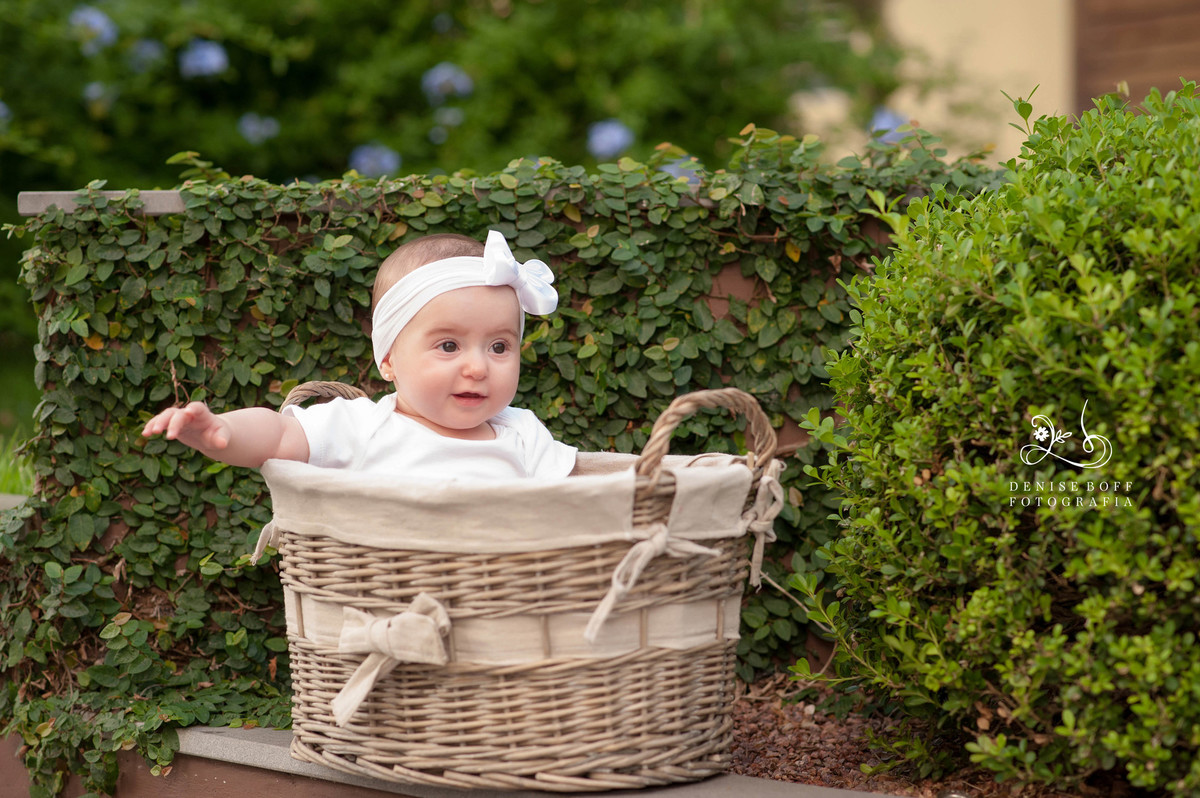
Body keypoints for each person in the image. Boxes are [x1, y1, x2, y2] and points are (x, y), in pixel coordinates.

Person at [141, 230, 577, 481]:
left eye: (499, 346)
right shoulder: (364, 426)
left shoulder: (522, 432)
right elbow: (277, 435)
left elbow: (576, 501)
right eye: (448, 345)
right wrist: (222, 431)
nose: (478, 367)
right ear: (387, 359)